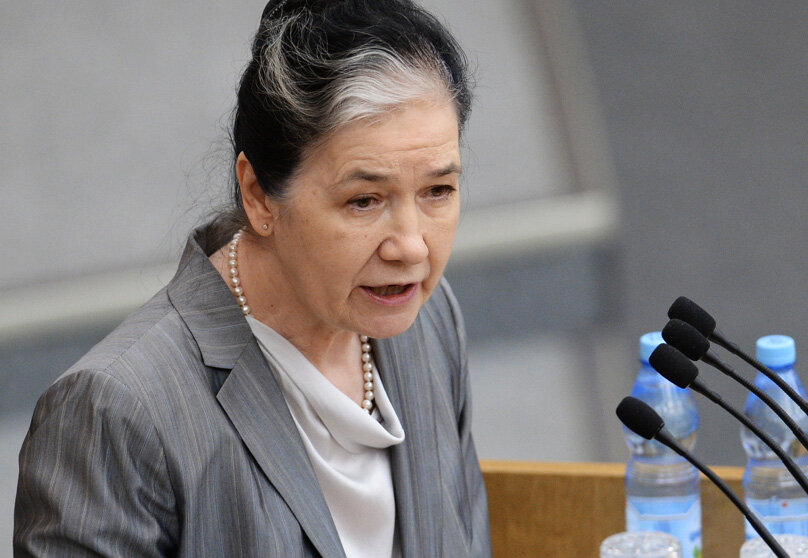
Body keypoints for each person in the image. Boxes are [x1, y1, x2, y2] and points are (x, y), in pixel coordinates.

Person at [14, 1, 492, 556]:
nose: (410, 246)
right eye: (364, 200)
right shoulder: (116, 411)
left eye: (438, 191)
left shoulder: (429, 323)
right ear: (259, 195)